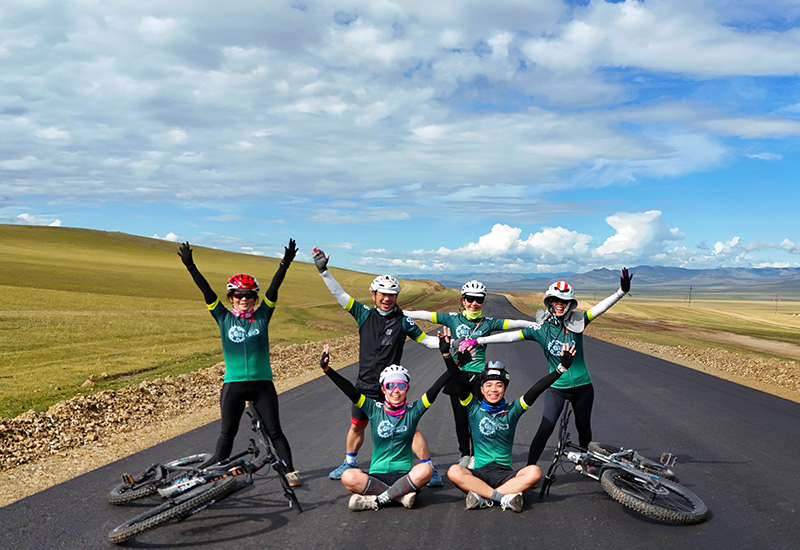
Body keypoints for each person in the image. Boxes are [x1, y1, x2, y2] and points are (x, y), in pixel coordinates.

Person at [311, 246, 444, 486]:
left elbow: (426, 341)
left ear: (396, 297)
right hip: (364, 384)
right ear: (373, 294)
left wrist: (451, 344)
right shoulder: (363, 314)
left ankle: (429, 469)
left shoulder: (403, 321)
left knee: (410, 429)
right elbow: (340, 296)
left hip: (390, 387)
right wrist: (324, 271)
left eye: (391, 295)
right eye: (382, 293)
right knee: (357, 426)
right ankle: (349, 462)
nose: (386, 298)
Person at [475, 268, 632, 467]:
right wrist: (479, 340)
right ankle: (529, 468)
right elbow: (510, 336)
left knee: (583, 427)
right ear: (549, 303)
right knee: (546, 427)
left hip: (583, 386)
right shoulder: (541, 330)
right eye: (555, 301)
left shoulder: (578, 322)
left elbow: (599, 308)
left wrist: (621, 292)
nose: (559, 305)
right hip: (557, 388)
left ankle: (587, 462)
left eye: (563, 302)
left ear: (570, 304)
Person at [177, 240, 300, 487]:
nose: (244, 299)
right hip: (233, 383)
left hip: (262, 384)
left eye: (249, 295)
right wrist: (191, 267)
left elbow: (274, 290)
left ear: (255, 298)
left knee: (274, 431)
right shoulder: (222, 317)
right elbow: (207, 293)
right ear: (231, 298)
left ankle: (290, 472)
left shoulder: (263, 316)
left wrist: (284, 264)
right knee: (227, 434)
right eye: (238, 295)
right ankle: (214, 477)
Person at [440, 327, 576, 512]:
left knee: (534, 472)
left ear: (505, 389)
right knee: (454, 471)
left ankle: (483, 496)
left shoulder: (513, 410)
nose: (493, 390)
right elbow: (457, 380)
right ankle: (504, 497)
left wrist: (561, 368)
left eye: (499, 385)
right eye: (488, 385)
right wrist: (447, 355)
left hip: (505, 474)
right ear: (481, 389)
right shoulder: (473, 408)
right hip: (479, 472)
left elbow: (535, 390)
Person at [404, 280, 535, 468]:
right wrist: (402, 312)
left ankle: (476, 454)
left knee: (478, 417)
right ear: (463, 300)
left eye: (478, 300)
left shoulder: (488, 323)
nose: (474, 303)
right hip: (457, 374)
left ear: (483, 301)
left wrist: (535, 323)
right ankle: (465, 454)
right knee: (460, 418)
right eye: (470, 299)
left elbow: (513, 324)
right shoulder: (452, 319)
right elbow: (426, 315)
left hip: (478, 377)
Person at [320, 344, 450, 511]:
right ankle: (399, 496)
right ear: (383, 389)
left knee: (425, 469)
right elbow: (350, 390)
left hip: (404, 476)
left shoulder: (414, 411)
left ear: (407, 388)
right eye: (390, 386)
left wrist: (454, 361)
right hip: (376, 477)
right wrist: (327, 369)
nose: (395, 391)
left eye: (401, 386)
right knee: (348, 476)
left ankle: (377, 500)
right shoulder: (374, 409)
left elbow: (435, 388)